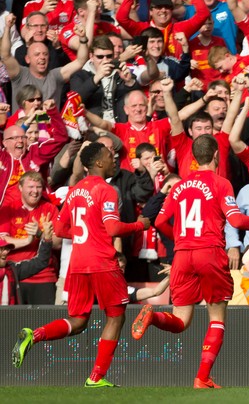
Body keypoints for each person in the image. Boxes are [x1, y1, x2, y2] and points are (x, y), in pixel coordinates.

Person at [132, 134, 249, 389]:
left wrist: (179, 241)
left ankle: (154, 317)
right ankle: (202, 377)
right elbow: (237, 222)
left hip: (183, 255)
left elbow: (159, 221)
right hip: (210, 252)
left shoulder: (179, 186)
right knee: (217, 317)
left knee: (180, 321)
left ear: (195, 158)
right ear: (216, 156)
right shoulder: (221, 183)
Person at [12, 142, 150, 387]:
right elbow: (114, 228)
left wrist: (86, 234)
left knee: (78, 321)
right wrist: (141, 224)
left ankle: (35, 335)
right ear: (98, 163)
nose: (114, 158)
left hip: (77, 264)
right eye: (110, 156)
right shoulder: (106, 190)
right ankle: (96, 377)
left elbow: (62, 228)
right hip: (103, 263)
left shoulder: (74, 191)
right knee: (116, 317)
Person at [0, 224, 53, 305]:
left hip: (10, 316)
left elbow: (40, 262)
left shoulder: (12, 269)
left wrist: (47, 239)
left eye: (6, 249)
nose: (6, 252)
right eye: (1, 249)